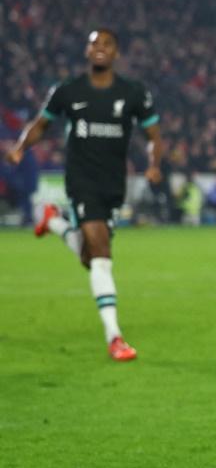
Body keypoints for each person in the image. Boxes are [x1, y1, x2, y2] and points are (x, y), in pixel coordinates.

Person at [5, 28, 162, 362]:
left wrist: (154, 162)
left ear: (116, 53)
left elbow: (153, 134)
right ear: (87, 51)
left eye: (107, 44)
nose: (100, 48)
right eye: (94, 43)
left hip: (112, 186)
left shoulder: (133, 93)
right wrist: (20, 148)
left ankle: (54, 223)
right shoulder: (68, 91)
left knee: (90, 258)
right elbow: (41, 124)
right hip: (81, 182)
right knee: (102, 254)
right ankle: (115, 337)